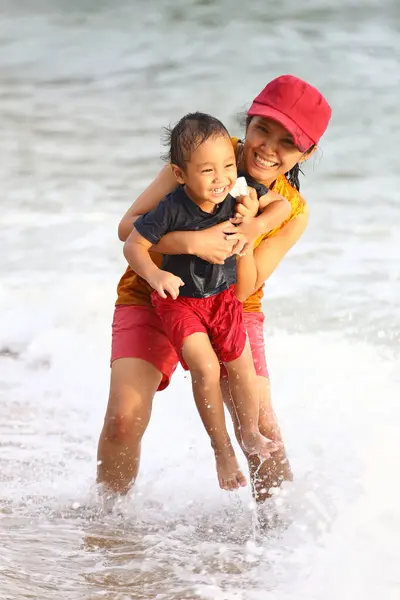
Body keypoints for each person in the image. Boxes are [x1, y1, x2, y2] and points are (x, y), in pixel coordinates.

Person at [97, 74, 331, 500]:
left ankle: (281, 547)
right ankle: (108, 532)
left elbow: (245, 291)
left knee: (261, 427)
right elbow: (127, 227)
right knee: (123, 420)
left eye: (287, 143)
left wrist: (247, 231)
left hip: (231, 307)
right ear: (248, 123)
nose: (267, 147)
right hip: (154, 291)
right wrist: (190, 242)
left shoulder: (291, 211)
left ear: (307, 152)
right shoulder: (206, 153)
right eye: (262, 129)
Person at [123, 112, 288, 489]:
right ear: (180, 174)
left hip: (222, 299)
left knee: (242, 367)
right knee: (207, 369)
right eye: (207, 171)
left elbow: (280, 205)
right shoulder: (171, 207)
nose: (221, 179)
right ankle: (222, 448)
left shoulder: (236, 192)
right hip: (180, 303)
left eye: (229, 165)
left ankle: (247, 433)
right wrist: (156, 274)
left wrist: (254, 224)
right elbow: (133, 244)